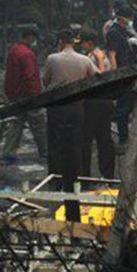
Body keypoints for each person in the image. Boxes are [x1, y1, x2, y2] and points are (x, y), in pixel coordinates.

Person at [44, 30, 98, 220]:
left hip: (57, 106)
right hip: (76, 107)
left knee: (55, 143)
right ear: (73, 43)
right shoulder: (84, 60)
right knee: (75, 142)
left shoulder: (52, 59)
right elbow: (97, 77)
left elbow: (46, 81)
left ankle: (56, 178)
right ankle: (75, 177)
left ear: (60, 42)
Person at [1, 28, 48, 165]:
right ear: (30, 37)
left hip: (15, 94)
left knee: (15, 124)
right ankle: (44, 151)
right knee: (38, 123)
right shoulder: (26, 54)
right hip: (27, 96)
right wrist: (35, 95)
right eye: (34, 38)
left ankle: (8, 153)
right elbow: (29, 77)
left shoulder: (14, 50)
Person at [78, 31, 115, 179]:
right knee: (104, 137)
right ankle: (108, 174)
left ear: (90, 42)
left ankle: (86, 176)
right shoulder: (102, 54)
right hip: (106, 100)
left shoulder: (94, 57)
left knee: (87, 139)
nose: (81, 45)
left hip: (95, 101)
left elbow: (100, 77)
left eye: (83, 42)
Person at [106, 7, 137, 147]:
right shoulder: (113, 32)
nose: (131, 21)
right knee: (123, 108)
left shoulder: (123, 30)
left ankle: (123, 135)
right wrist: (115, 75)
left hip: (129, 70)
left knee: (127, 105)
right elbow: (112, 54)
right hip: (122, 73)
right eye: (129, 18)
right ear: (122, 18)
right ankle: (123, 138)